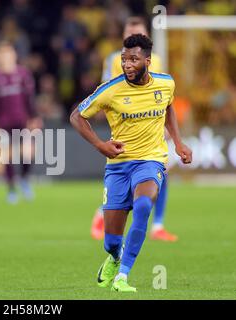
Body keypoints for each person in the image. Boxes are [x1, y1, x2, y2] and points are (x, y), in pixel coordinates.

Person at [70, 34, 192, 292]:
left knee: (144, 203)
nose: (127, 64)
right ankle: (115, 257)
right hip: (118, 167)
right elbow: (76, 117)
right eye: (124, 59)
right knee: (111, 241)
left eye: (133, 59)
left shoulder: (165, 83)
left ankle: (122, 275)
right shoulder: (111, 90)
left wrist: (178, 143)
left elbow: (168, 107)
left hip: (150, 160)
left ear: (148, 61)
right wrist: (100, 144)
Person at [91, 17, 178, 242]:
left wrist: (169, 130)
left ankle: (157, 224)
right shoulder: (113, 60)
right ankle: (104, 213)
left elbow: (162, 93)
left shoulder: (156, 61)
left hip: (151, 127)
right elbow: (109, 91)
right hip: (125, 124)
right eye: (130, 31)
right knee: (123, 174)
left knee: (158, 172)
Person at [0, 41, 42, 204]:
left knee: (29, 152)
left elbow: (30, 98)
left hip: (23, 121)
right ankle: (11, 189)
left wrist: (34, 116)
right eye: (2, 54)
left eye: (8, 54)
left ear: (14, 56)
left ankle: (24, 179)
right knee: (7, 156)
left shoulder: (23, 75)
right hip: (2, 122)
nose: (5, 57)